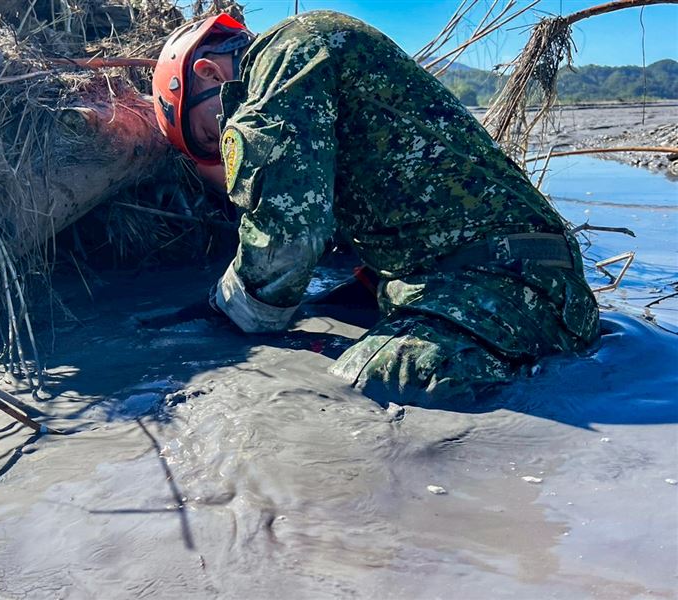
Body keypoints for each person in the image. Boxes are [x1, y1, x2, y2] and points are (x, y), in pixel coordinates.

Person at [151, 11, 600, 406]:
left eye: (210, 137)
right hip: (522, 276)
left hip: (510, 285)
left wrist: (228, 310)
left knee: (365, 381)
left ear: (209, 73)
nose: (223, 140)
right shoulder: (315, 51)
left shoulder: (284, 54)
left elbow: (288, 235)